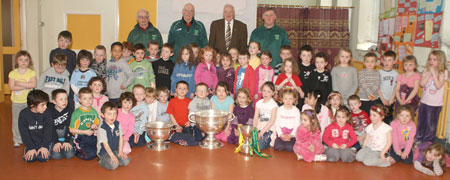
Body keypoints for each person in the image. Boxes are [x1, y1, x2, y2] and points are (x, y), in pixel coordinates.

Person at [417, 50, 448, 143]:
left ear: (440, 61)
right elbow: (422, 84)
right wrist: (429, 72)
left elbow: (438, 86)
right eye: (430, 59)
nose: (431, 61)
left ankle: (428, 142)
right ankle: (419, 140)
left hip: (435, 104)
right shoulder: (426, 70)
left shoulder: (444, 72)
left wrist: (434, 73)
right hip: (424, 102)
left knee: (431, 125)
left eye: (435, 59)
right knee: (421, 122)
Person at [9, 50, 37, 147]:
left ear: (29, 61)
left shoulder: (31, 73)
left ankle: (28, 137)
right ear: (17, 61)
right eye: (21, 60)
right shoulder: (13, 73)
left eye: (26, 60)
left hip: (28, 102)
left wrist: (20, 84)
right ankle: (17, 139)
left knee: (28, 120)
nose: (23, 62)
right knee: (16, 121)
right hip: (16, 102)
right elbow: (12, 87)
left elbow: (33, 84)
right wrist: (27, 86)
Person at [19, 90, 52, 162]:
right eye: (42, 105)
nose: (46, 107)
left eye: (46, 104)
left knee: (42, 158)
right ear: (32, 106)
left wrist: (44, 146)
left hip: (44, 141)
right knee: (30, 159)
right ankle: (29, 149)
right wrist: (30, 147)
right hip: (32, 142)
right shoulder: (23, 114)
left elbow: (48, 131)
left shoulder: (47, 113)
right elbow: (24, 133)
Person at [97, 102, 130, 170]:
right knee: (114, 165)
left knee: (126, 161)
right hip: (104, 152)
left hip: (115, 149)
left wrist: (120, 151)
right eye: (109, 114)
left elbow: (121, 137)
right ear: (102, 115)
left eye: (115, 114)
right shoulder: (102, 128)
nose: (112, 116)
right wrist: (112, 156)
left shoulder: (117, 124)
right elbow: (105, 144)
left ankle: (116, 157)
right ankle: (101, 161)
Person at [69, 87, 100, 160]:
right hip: (80, 137)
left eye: (90, 98)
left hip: (91, 136)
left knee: (100, 151)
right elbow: (71, 130)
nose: (88, 101)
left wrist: (95, 125)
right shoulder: (76, 113)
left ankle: (89, 150)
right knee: (90, 156)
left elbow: (97, 123)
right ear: (79, 100)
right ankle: (76, 150)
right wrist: (85, 132)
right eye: (85, 99)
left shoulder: (93, 111)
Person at [167, 81, 200, 145]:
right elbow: (171, 115)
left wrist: (190, 122)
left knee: (190, 135)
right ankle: (181, 139)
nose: (182, 90)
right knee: (175, 134)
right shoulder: (172, 101)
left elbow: (193, 114)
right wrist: (177, 126)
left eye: (184, 89)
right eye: (180, 88)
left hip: (186, 125)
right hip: (176, 125)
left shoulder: (190, 101)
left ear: (187, 90)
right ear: (176, 90)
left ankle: (182, 140)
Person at [48, 89, 75, 160]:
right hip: (54, 136)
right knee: (56, 156)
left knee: (69, 155)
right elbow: (51, 128)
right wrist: (56, 142)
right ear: (54, 101)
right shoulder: (49, 112)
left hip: (66, 134)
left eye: (66, 99)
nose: (64, 101)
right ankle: (54, 146)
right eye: (61, 99)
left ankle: (71, 145)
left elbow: (70, 127)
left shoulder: (70, 111)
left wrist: (67, 141)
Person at [253, 82, 278, 150]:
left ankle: (268, 140)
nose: (265, 93)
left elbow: (272, 121)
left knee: (259, 146)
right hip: (259, 126)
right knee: (251, 142)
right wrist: (254, 129)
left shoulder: (274, 105)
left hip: (268, 129)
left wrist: (262, 132)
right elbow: (255, 117)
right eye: (264, 91)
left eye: (268, 91)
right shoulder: (259, 103)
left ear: (273, 93)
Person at [377, 51, 398, 124]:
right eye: (385, 60)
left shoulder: (395, 74)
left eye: (389, 60)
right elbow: (377, 87)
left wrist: (392, 98)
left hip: (391, 101)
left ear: (394, 61)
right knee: (379, 117)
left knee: (388, 119)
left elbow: (396, 87)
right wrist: (383, 100)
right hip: (381, 99)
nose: (387, 62)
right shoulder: (379, 72)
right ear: (382, 61)